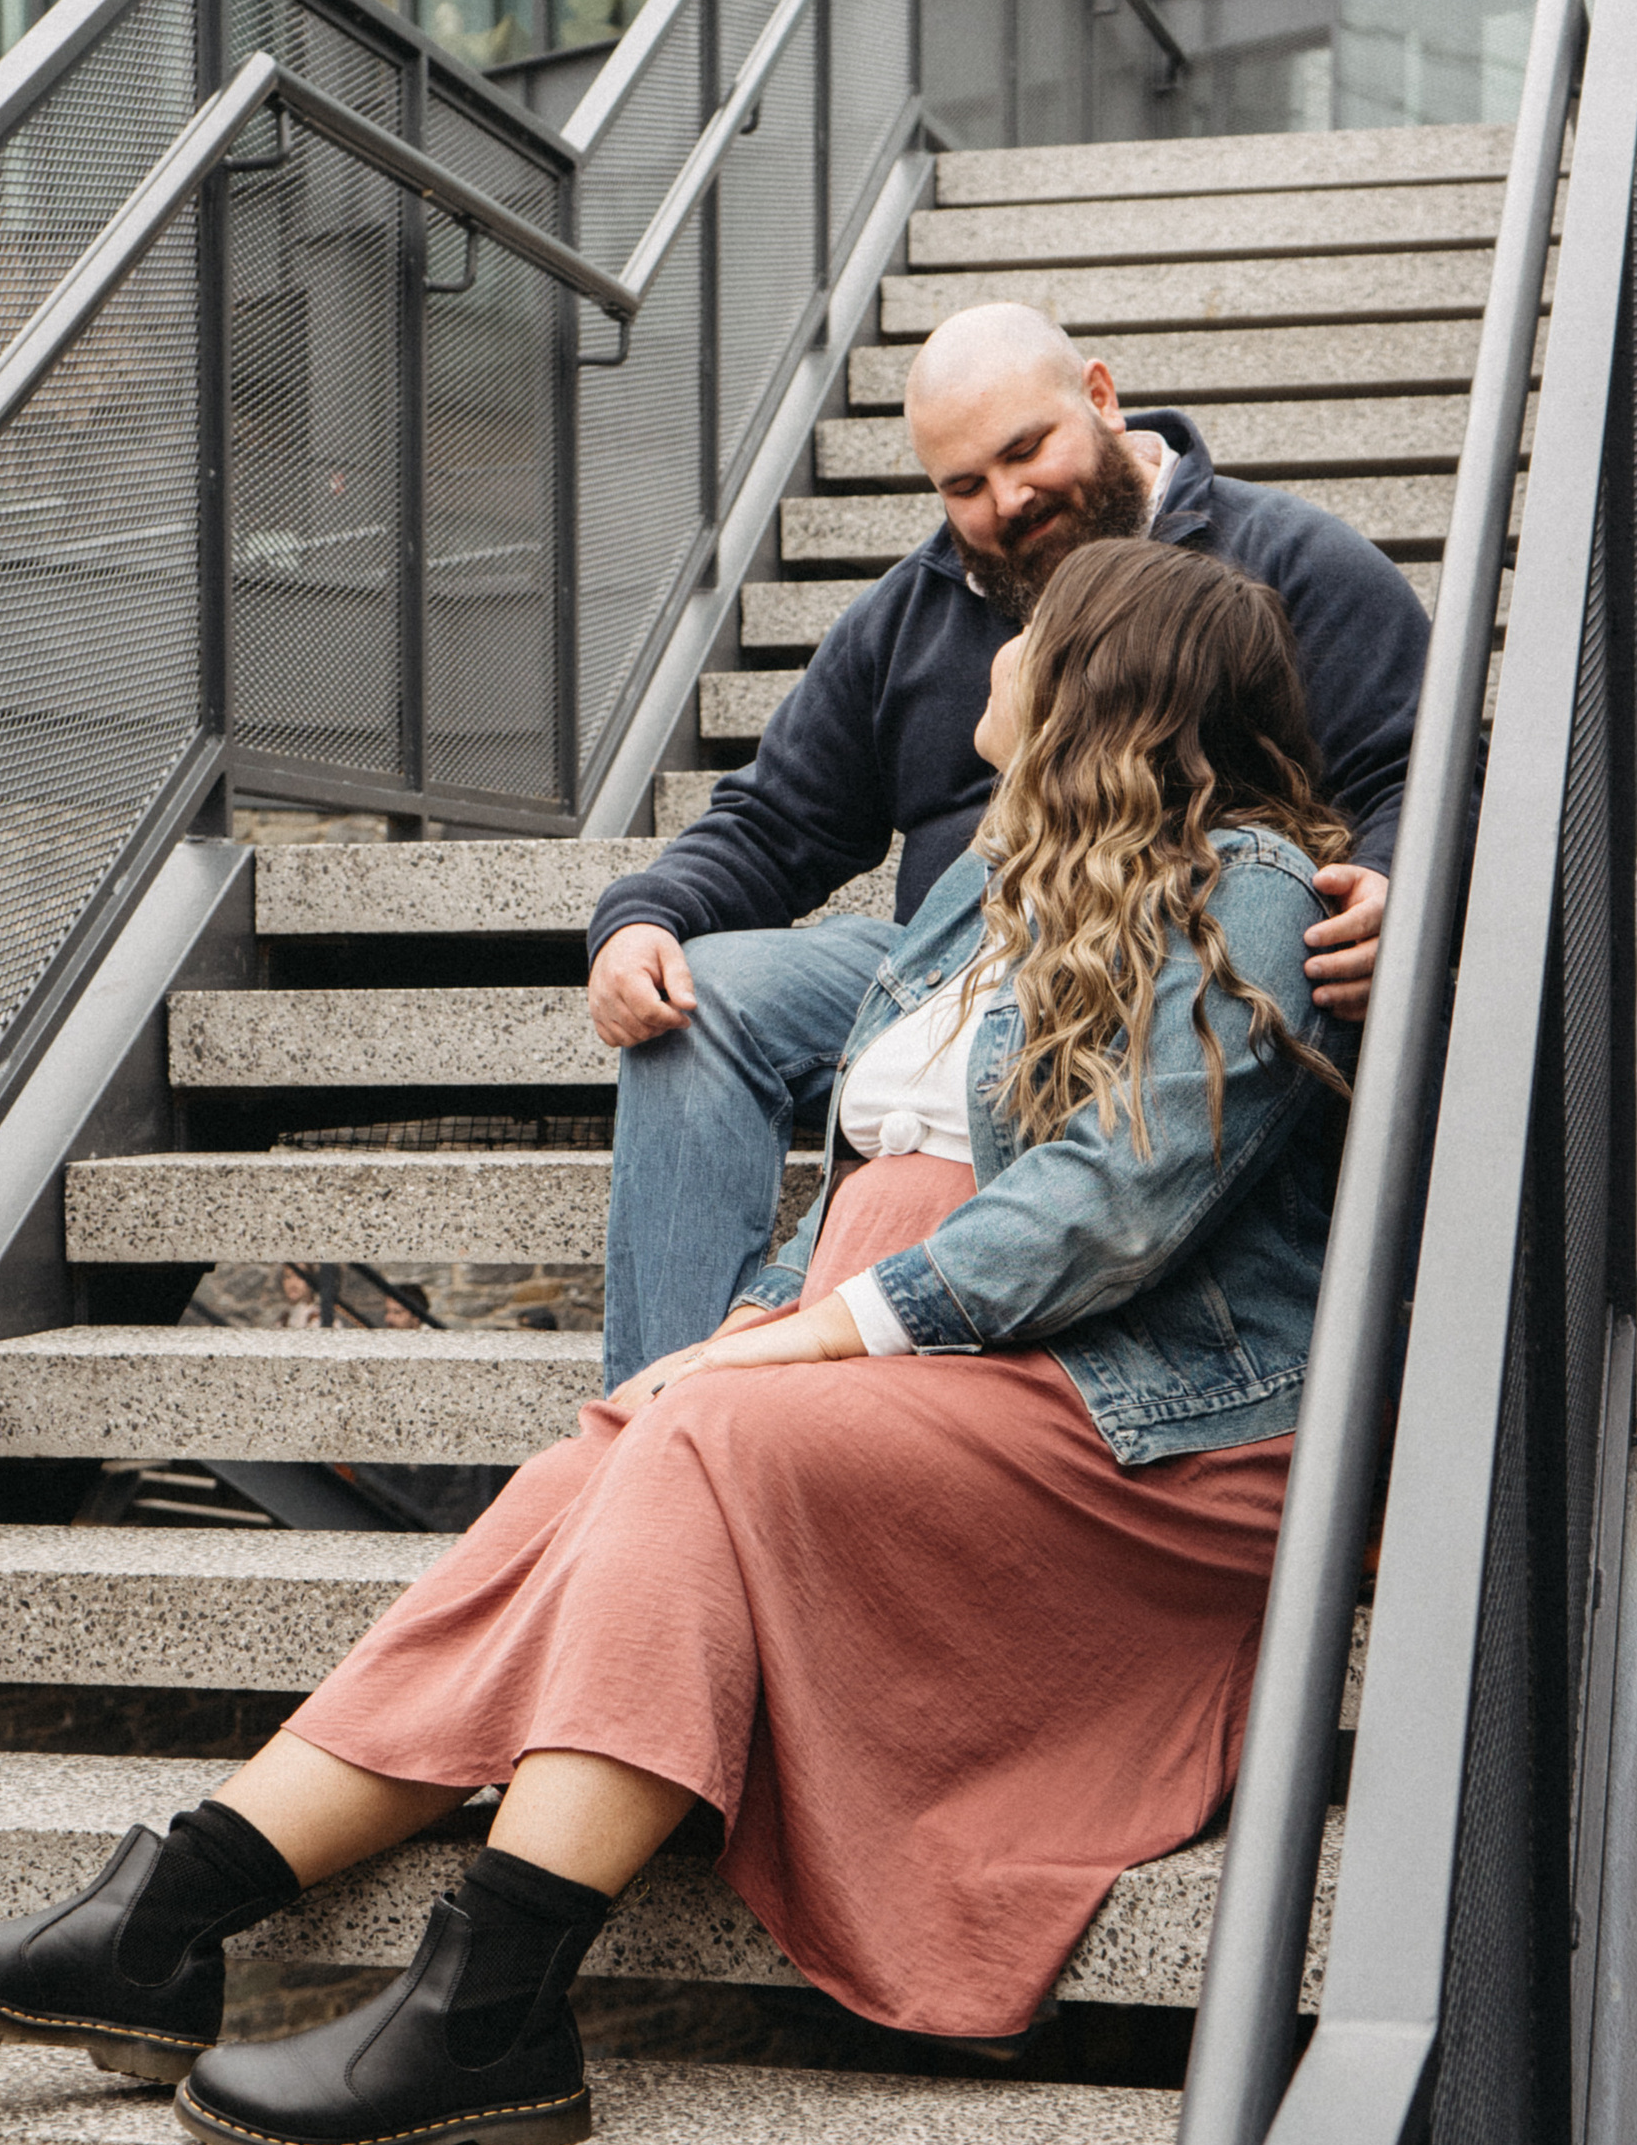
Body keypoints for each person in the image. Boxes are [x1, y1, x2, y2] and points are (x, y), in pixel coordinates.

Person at [0, 542, 1348, 2145]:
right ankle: (166, 1922)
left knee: (704, 1440)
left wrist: (798, 1349)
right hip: (908, 1359)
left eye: (1028, 641)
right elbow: (853, 1194)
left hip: (1134, 1434)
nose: (989, 664)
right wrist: (771, 1326)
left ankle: (494, 1998)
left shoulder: (1243, 879)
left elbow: (1113, 1199)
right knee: (602, 1455)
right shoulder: (976, 893)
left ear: (1097, 688)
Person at [585, 302, 1430, 1384]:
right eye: (963, 486)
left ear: (1100, 395)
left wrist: (1394, 889)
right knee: (697, 998)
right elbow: (774, 820)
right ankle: (658, 1403)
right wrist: (642, 917)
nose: (1008, 502)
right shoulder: (914, 616)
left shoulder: (1288, 564)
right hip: (947, 972)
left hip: (1160, 973)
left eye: (1026, 452)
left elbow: (1410, 775)